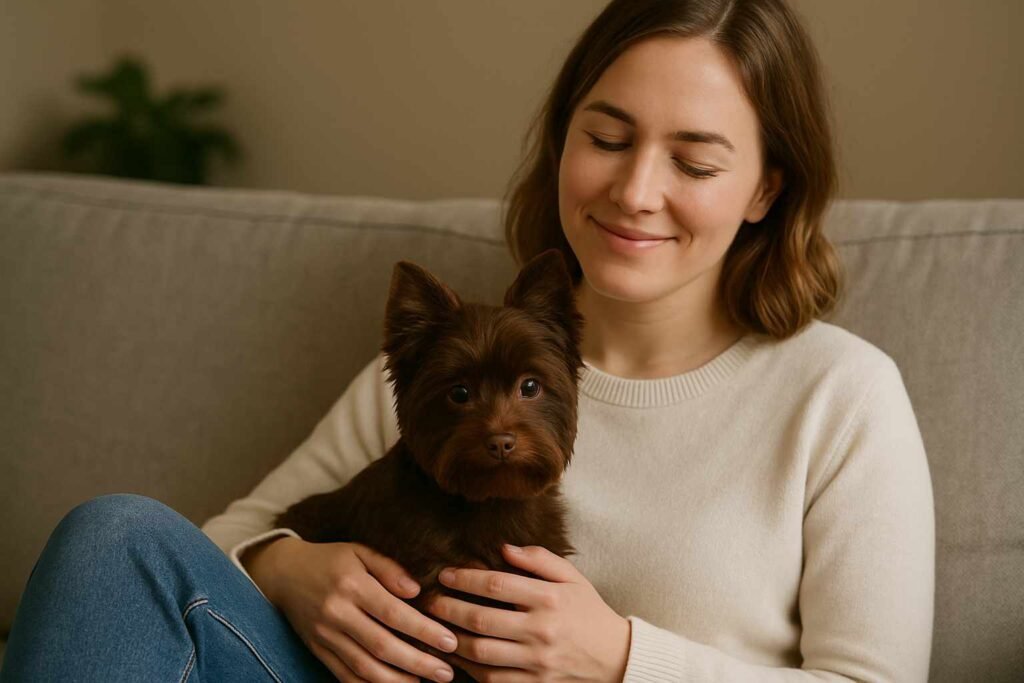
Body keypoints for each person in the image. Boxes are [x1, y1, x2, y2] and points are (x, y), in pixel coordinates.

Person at [1, 0, 935, 681]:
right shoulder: (452, 359)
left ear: (766, 190)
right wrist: (294, 570)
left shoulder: (839, 396)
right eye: (606, 138)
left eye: (694, 160)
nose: (635, 190)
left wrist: (619, 658)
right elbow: (227, 541)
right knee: (114, 534)